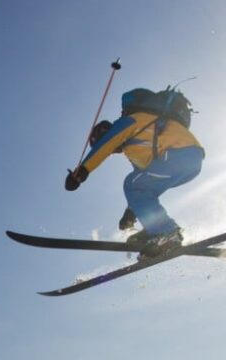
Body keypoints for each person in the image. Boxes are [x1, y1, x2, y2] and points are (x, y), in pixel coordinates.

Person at [64, 88, 205, 256]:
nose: (112, 151)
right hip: (188, 161)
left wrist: (82, 171)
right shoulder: (134, 149)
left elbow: (106, 145)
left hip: (180, 154)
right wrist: (131, 212)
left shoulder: (130, 122)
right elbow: (144, 186)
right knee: (137, 184)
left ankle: (167, 232)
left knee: (131, 183)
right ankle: (155, 230)